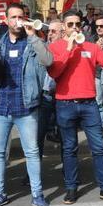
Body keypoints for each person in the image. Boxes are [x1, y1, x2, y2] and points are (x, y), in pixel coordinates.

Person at [48, 9, 103, 205]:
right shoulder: (56, 47)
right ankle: (71, 188)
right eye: (70, 24)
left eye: (77, 24)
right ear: (64, 27)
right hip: (65, 104)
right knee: (69, 148)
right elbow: (55, 72)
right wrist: (69, 48)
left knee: (99, 148)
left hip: (89, 104)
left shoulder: (91, 46)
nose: (75, 28)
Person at [0, 4, 53, 206]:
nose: (17, 21)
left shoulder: (33, 42)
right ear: (6, 20)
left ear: (25, 19)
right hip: (1, 106)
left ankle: (37, 194)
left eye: (20, 17)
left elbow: (48, 60)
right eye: (13, 17)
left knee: (31, 152)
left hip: (26, 107)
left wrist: (33, 36)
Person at [37, 19, 63, 155]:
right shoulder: (43, 48)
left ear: (62, 33)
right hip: (45, 96)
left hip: (62, 96)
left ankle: (68, 172)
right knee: (38, 135)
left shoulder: (67, 49)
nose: (50, 34)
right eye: (48, 31)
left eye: (54, 31)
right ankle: (33, 174)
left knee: (65, 135)